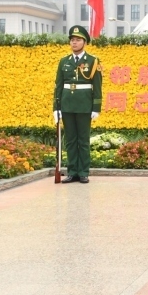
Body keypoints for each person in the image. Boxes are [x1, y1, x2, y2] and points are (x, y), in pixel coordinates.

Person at [53, 25, 102, 184]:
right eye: (72, 40)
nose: (74, 43)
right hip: (67, 105)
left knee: (83, 140)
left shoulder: (93, 61)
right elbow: (58, 86)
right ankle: (72, 171)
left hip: (84, 105)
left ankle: (83, 172)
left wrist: (96, 108)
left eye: (78, 40)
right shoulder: (63, 62)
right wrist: (56, 108)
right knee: (70, 140)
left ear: (84, 42)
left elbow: (98, 86)